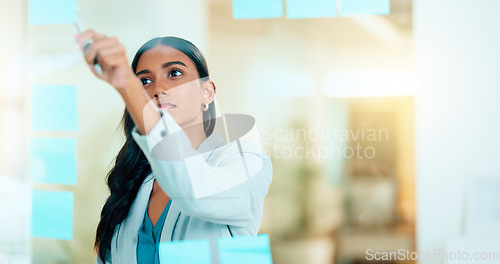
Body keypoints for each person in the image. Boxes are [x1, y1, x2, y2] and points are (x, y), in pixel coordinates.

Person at [75, 30, 273, 264]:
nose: (158, 89)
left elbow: (195, 191)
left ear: (207, 92)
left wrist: (127, 83)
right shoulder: (134, 182)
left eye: (175, 73)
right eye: (145, 81)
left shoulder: (245, 162)